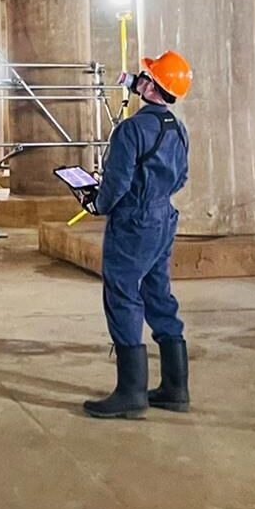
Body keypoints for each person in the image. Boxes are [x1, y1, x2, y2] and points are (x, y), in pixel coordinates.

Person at [81, 51, 192, 419]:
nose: (138, 79)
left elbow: (116, 184)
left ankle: (131, 392)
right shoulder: (177, 128)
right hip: (164, 215)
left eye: (145, 76)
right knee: (158, 293)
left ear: (152, 85)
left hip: (134, 220)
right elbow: (181, 178)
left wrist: (98, 203)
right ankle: (176, 388)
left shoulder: (131, 129)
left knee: (123, 294)